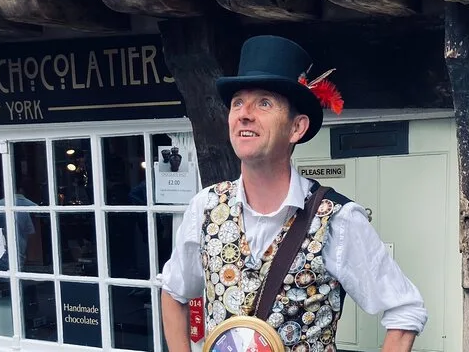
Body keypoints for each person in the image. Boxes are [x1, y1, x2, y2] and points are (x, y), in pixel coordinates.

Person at [160, 35, 427, 352]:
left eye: (264, 103)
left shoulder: (338, 220)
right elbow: (173, 292)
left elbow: (405, 310)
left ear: (296, 128)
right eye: (237, 103)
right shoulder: (205, 207)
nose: (245, 113)